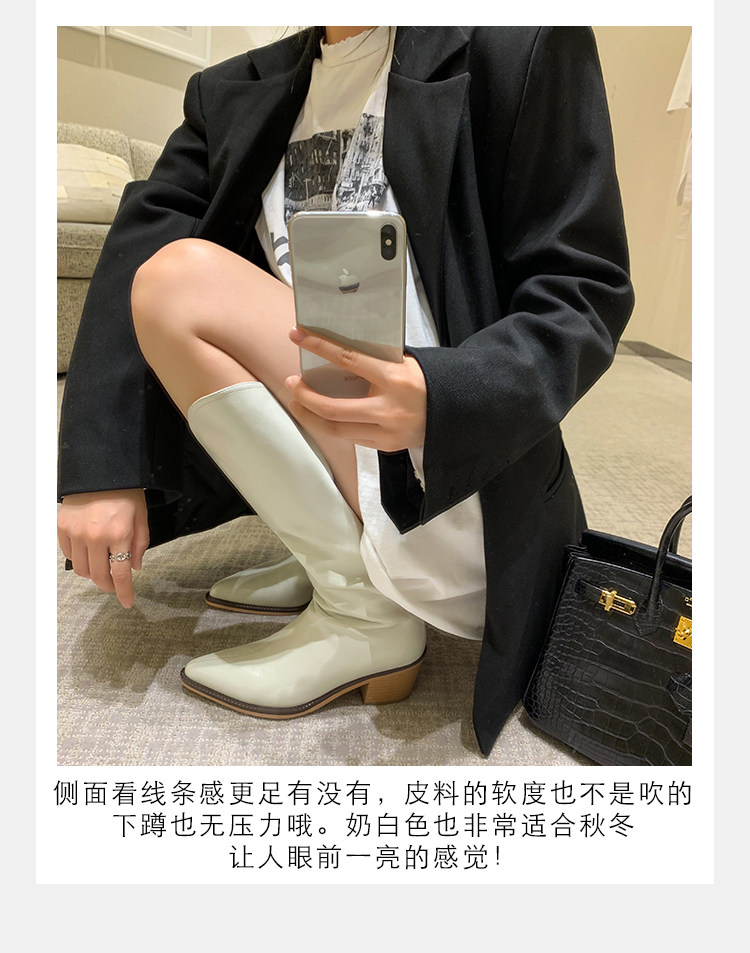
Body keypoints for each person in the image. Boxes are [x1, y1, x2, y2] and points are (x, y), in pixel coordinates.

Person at [57, 25, 635, 755]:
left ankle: (367, 617)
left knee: (180, 284)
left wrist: (445, 394)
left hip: (462, 474)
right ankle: (337, 562)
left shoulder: (519, 39)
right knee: (179, 273)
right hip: (346, 429)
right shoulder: (233, 88)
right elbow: (142, 231)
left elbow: (584, 290)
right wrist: (100, 468)